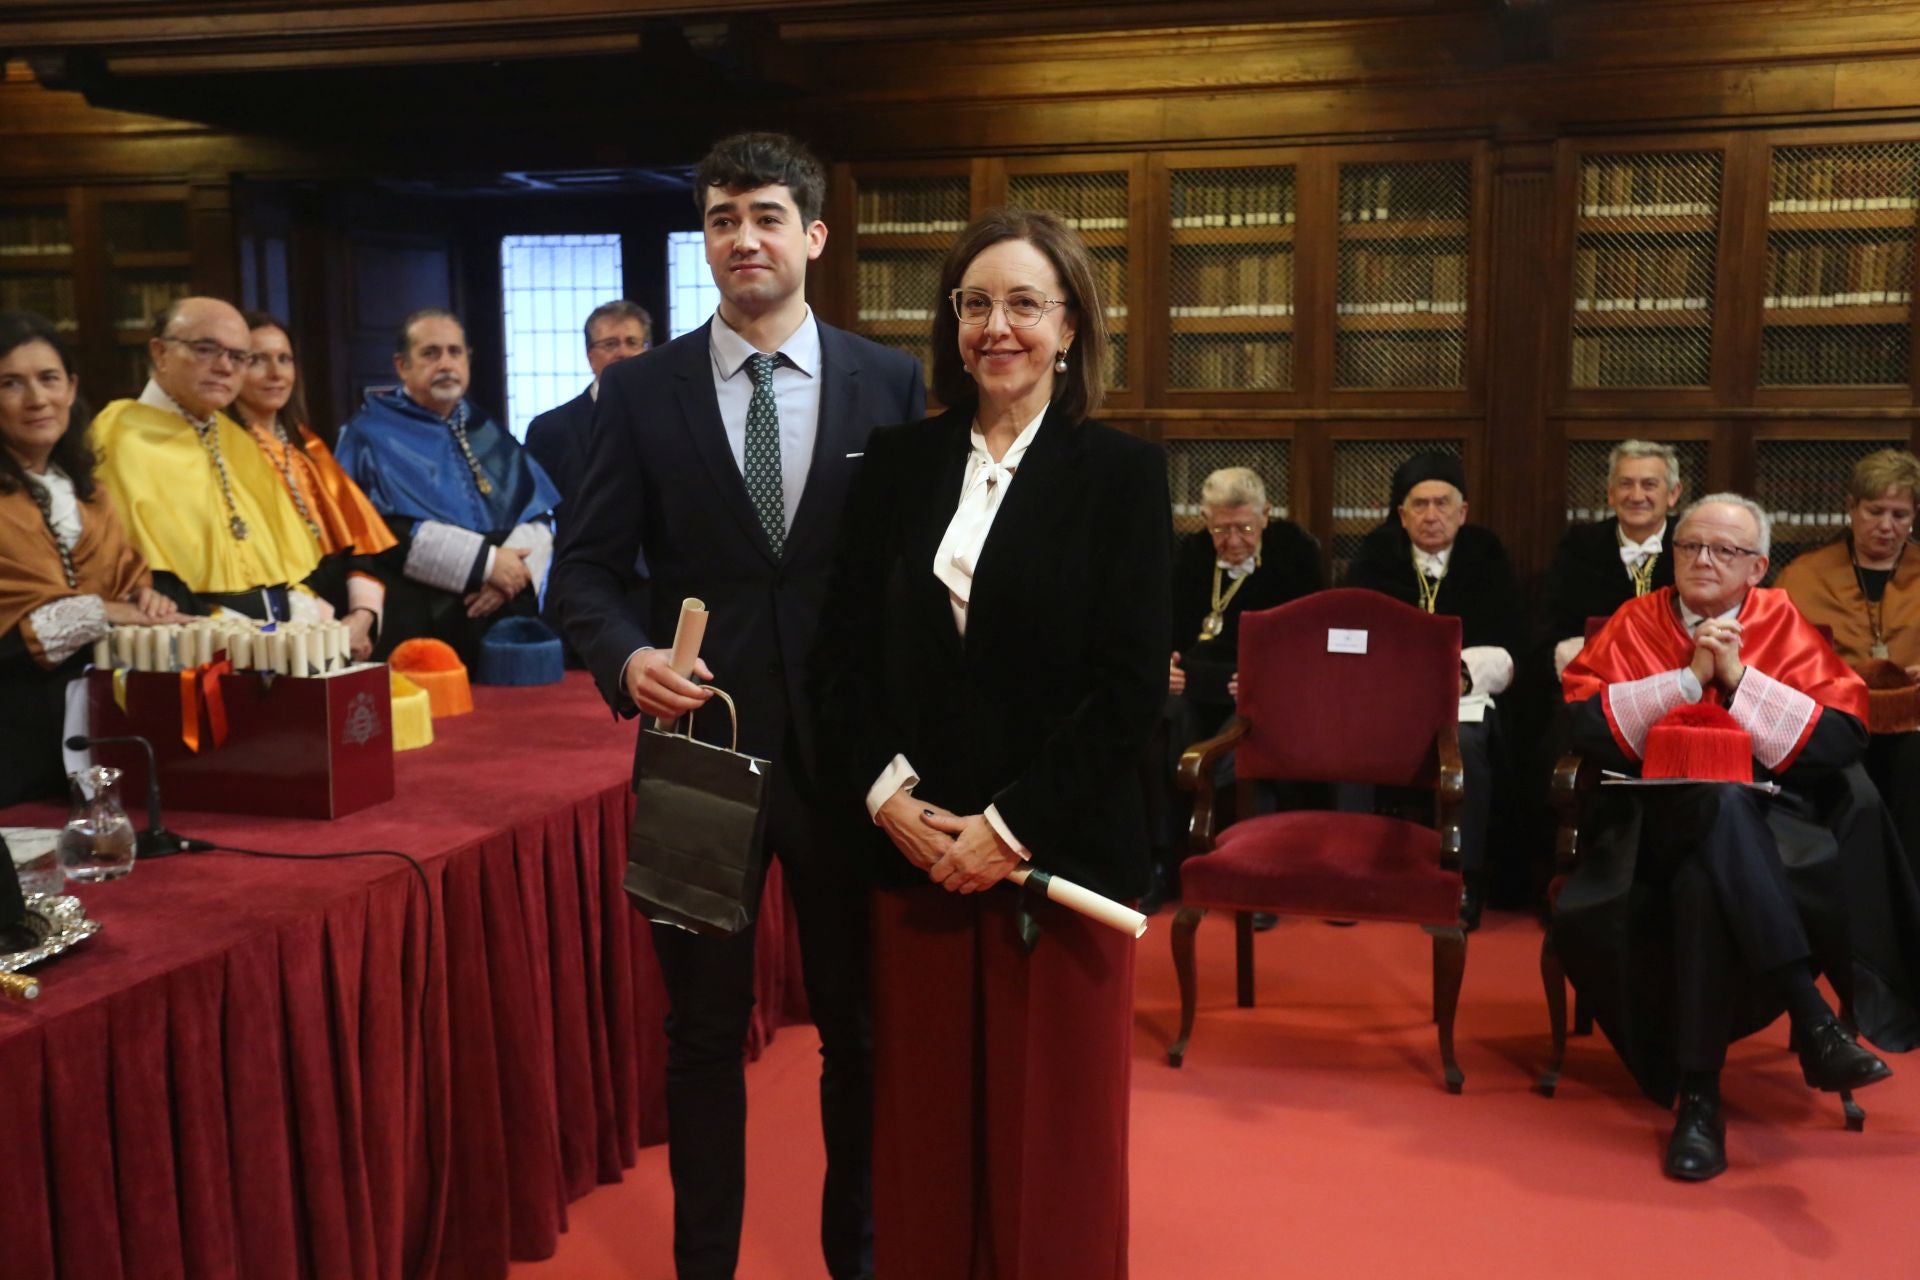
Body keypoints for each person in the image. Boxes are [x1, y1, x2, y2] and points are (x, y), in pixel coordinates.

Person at [551, 131, 924, 1280]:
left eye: (765, 214)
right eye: (721, 219)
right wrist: (625, 662)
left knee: (859, 1033)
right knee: (702, 1034)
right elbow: (585, 572)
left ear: (812, 234)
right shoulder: (642, 388)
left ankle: (853, 1257)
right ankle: (702, 1265)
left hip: (848, 759)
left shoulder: (890, 381)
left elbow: (908, 573)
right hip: (694, 755)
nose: (742, 237)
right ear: (704, 240)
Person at [813, 206, 1168, 1280]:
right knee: (925, 1138)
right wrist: (886, 796)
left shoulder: (1120, 474)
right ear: (951, 325)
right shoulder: (898, 462)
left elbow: (1127, 688)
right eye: (976, 303)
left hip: (1053, 863)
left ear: (1070, 327)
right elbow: (843, 657)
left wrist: (1008, 828)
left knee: (1048, 1144)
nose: (997, 325)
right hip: (915, 852)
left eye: (1024, 302)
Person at [1558, 494, 1920, 1181]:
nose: (1702, 561)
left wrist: (1740, 678)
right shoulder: (1637, 621)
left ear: (1756, 567)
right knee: (1710, 815)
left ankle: (1699, 1101)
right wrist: (1688, 679)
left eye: (1723, 551)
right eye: (1690, 547)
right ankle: (1813, 1020)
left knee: (1707, 866)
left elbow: (1842, 736)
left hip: (1768, 819)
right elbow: (1584, 727)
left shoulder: (1781, 622)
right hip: (1649, 821)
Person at [0, 311, 179, 806]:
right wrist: (101, 612)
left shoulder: (90, 494)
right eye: (10, 384)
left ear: (72, 387)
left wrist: (146, 597)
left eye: (48, 379)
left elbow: (124, 578)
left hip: (93, 730)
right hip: (13, 738)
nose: (37, 399)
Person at [1340, 452, 1523, 925]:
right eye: (1419, 505)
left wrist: (1457, 672)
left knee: (1467, 752)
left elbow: (1509, 640)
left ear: (1462, 511)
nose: (1431, 515)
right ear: (1401, 515)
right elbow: (1351, 633)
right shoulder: (1377, 557)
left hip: (1460, 699)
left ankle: (1463, 878)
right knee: (1348, 743)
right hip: (1386, 699)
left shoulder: (1485, 555)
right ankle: (1352, 875)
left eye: (1442, 503)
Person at [336, 308, 560, 665]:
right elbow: (377, 532)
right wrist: (487, 564)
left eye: (455, 352)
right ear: (401, 365)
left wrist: (509, 577)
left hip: (500, 614)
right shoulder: (368, 434)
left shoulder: (487, 430)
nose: (445, 363)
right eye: (430, 353)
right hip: (419, 618)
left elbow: (538, 512)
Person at [1150, 465, 1322, 911]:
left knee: (1256, 735)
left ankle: (1258, 878)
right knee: (1154, 723)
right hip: (1189, 688)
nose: (1232, 541)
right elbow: (1154, 625)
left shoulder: (1294, 556)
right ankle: (1162, 862)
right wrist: (1161, 663)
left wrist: (1266, 677)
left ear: (1266, 515)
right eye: (1220, 529)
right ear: (1205, 521)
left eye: (1244, 527)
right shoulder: (1188, 556)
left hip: (1258, 690)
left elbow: (1314, 638)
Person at [90, 296, 323, 621]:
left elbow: (287, 561)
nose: (225, 367)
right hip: (180, 628)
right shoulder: (119, 433)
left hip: (273, 633)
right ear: (160, 353)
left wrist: (303, 602)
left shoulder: (238, 439)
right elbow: (127, 569)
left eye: (239, 356)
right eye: (205, 349)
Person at [1778, 447, 1920, 867]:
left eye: (1900, 515)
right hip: (1834, 721)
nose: (1887, 526)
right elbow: (1779, 661)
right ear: (1851, 508)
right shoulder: (1804, 575)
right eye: (1875, 511)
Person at [233, 312, 396, 661]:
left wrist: (362, 616)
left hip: (345, 615)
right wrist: (330, 625)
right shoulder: (225, 454)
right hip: (283, 620)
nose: (276, 373)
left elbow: (360, 544)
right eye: (257, 360)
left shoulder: (310, 448)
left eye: (284, 359)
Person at [1546, 439, 1684, 676]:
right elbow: (1554, 627)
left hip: (1678, 677)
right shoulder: (1579, 546)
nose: (1636, 496)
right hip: (1598, 679)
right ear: (1610, 493)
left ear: (1673, 494)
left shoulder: (1692, 545)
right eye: (1625, 484)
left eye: (1649, 485)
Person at [525, 300, 652, 511]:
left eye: (632, 342)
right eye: (610, 344)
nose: (623, 353)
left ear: (647, 352)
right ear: (590, 356)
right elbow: (532, 511)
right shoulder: (550, 429)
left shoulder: (673, 418)